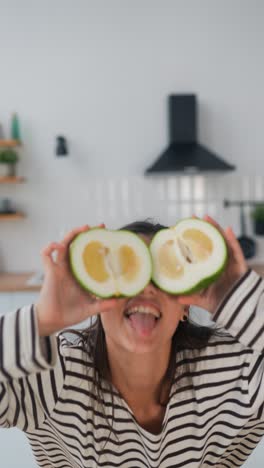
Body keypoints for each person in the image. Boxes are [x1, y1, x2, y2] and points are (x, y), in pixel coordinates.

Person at [0, 214, 264, 468]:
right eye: (129, 274)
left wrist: (245, 304)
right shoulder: (55, 379)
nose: (146, 288)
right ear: (99, 298)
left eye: (162, 276)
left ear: (185, 306)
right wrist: (43, 320)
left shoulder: (233, 371)